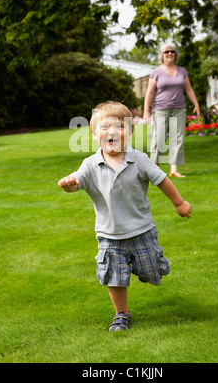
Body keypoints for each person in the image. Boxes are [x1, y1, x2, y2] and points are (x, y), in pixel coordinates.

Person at [58, 101, 191, 332]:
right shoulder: (89, 164)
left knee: (152, 272)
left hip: (142, 230)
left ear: (129, 132)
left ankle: (150, 264)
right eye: (105, 127)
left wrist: (179, 203)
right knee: (114, 276)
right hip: (109, 235)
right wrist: (69, 184)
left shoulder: (138, 159)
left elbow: (162, 180)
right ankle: (121, 314)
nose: (112, 132)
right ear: (94, 133)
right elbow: (76, 182)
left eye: (119, 126)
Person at [143, 42, 200, 178]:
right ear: (162, 55)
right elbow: (149, 93)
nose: (170, 54)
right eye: (167, 52)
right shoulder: (156, 72)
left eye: (172, 51)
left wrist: (196, 104)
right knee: (159, 138)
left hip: (179, 109)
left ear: (176, 54)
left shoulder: (182, 71)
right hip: (161, 109)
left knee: (177, 138)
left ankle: (173, 169)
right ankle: (154, 168)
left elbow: (189, 89)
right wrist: (146, 110)